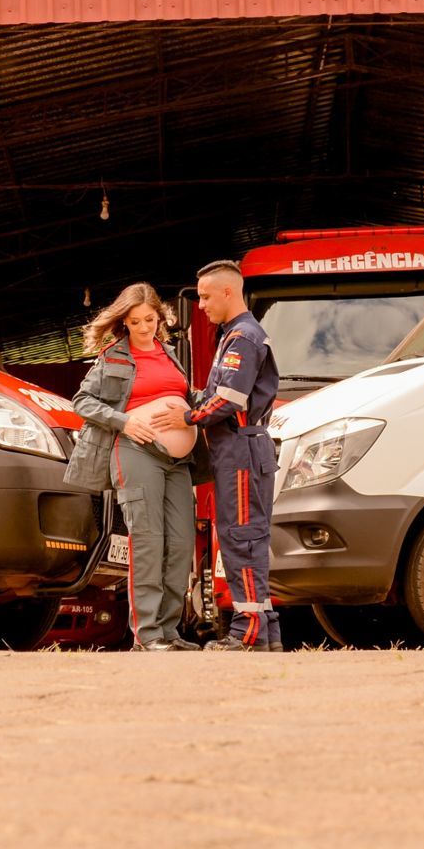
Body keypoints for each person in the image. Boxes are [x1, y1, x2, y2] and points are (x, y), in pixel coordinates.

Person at [65, 283, 200, 651]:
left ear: (160, 317)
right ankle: (148, 635)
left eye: (150, 320)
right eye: (136, 321)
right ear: (125, 321)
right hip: (135, 452)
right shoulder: (114, 357)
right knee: (148, 541)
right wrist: (122, 421)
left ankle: (170, 632)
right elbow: (82, 401)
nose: (144, 328)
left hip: (178, 460)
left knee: (182, 541)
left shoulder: (170, 353)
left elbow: (185, 397)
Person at [155, 260, 281, 651]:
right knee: (248, 539)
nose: (203, 305)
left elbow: (229, 398)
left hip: (240, 450)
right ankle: (266, 633)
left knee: (241, 540)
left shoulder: (243, 337)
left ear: (229, 292)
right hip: (238, 450)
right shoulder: (234, 335)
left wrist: (188, 415)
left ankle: (246, 636)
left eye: (207, 296)